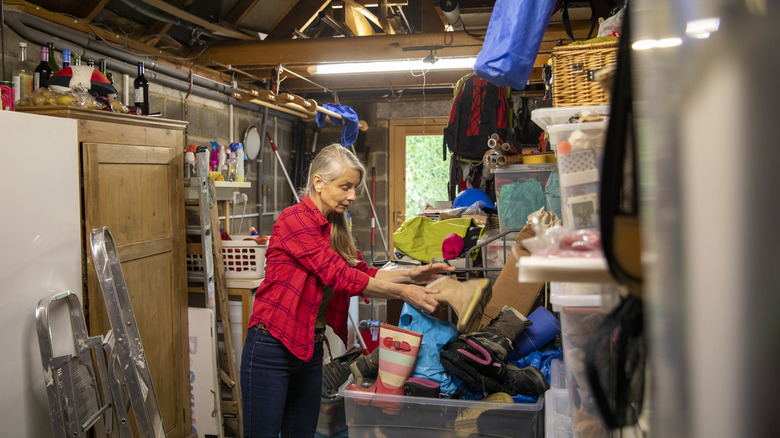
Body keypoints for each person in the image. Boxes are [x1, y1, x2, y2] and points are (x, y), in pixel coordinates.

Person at [240, 144, 454, 437]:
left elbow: (360, 272)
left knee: (301, 433)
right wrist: (404, 294)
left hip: (309, 348)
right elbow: (338, 276)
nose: (352, 196)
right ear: (318, 182)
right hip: (272, 346)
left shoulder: (334, 226)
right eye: (345, 187)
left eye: (354, 188)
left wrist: (412, 276)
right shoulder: (294, 220)